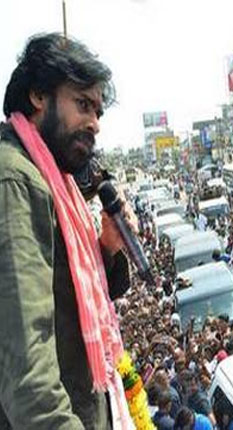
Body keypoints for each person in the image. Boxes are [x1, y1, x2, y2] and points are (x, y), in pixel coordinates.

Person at [0, 33, 134, 429]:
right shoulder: (17, 181)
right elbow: (30, 382)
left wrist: (106, 250)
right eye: (82, 104)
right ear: (39, 95)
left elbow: (65, 303)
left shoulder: (54, 178)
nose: (94, 123)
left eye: (97, 112)